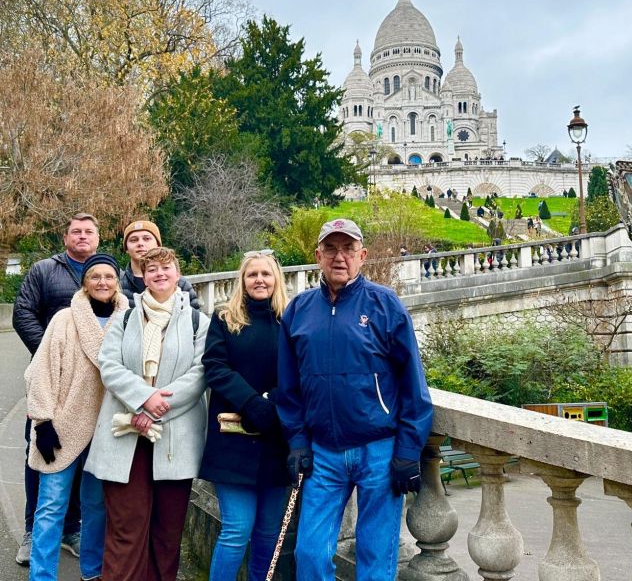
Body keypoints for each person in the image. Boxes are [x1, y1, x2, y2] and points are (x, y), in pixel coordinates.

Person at [277, 218, 433, 581]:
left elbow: (413, 384)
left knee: (375, 557)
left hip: (378, 451)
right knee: (310, 554)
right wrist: (297, 441)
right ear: (318, 256)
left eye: (348, 248)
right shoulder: (298, 311)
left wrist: (409, 451)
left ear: (362, 256)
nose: (339, 256)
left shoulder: (384, 304)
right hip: (323, 454)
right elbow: (287, 389)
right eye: (330, 248)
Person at [85, 246, 209, 581]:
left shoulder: (199, 321)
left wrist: (156, 409)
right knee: (126, 528)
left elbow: (200, 374)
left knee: (167, 534)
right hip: (124, 436)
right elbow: (108, 365)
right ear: (143, 276)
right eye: (150, 269)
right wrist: (143, 400)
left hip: (174, 437)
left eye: (165, 268)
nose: (159, 274)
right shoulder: (125, 316)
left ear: (177, 273)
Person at [25, 254, 127, 581]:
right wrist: (42, 422)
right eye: (95, 276)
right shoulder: (64, 320)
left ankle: (93, 573)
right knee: (51, 506)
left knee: (96, 510)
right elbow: (40, 372)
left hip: (107, 429)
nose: (102, 282)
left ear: (117, 281)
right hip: (63, 426)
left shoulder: (129, 321)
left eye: (108, 276)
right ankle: (42, 576)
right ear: (84, 282)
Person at [12, 212, 99, 565]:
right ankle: (33, 529)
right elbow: (22, 313)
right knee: (40, 451)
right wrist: (52, 354)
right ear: (66, 238)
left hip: (88, 386)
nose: (82, 236)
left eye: (88, 232)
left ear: (98, 238)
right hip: (48, 379)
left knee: (81, 455)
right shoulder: (44, 271)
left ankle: (70, 528)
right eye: (75, 231)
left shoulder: (108, 273)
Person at [199, 251, 290, 581]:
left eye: (266, 274)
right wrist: (251, 403)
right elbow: (215, 367)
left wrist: (274, 403)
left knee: (267, 534)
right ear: (242, 280)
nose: (260, 280)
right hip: (232, 441)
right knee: (236, 530)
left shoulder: (290, 321)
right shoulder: (224, 319)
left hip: (276, 442)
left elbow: (301, 373)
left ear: (276, 279)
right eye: (252, 274)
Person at [120, 219, 200, 309]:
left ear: (158, 244)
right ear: (126, 248)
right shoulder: (118, 284)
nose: (140, 243)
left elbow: (193, 318)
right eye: (134, 240)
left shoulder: (180, 283)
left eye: (146, 239)